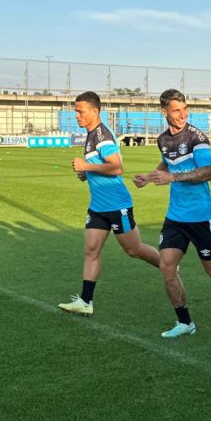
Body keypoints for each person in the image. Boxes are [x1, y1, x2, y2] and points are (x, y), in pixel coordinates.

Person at [133, 89, 211, 338]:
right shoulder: (163, 140)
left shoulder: (197, 138)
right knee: (167, 267)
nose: (182, 115)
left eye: (184, 109)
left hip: (202, 216)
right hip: (175, 218)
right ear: (164, 112)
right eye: (176, 110)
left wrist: (172, 177)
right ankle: (185, 322)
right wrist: (149, 177)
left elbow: (207, 172)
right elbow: (167, 162)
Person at [58, 91, 160, 315]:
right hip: (98, 207)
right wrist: (88, 173)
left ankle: (169, 265)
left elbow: (116, 167)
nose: (76, 115)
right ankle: (85, 301)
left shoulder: (101, 134)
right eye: (75, 111)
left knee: (133, 249)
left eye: (80, 111)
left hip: (116, 204)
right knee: (91, 249)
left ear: (94, 111)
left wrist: (86, 167)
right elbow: (103, 165)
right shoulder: (91, 133)